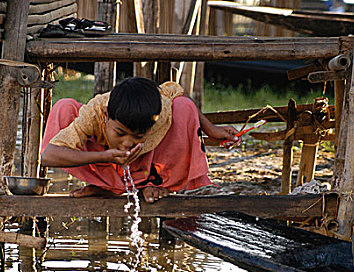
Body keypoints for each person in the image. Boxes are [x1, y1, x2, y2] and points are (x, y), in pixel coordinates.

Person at [40, 77, 239, 203]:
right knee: (64, 107)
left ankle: (156, 184)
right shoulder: (94, 113)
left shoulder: (162, 106)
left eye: (137, 136)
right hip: (103, 160)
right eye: (120, 133)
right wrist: (105, 156)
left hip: (147, 164)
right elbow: (49, 156)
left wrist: (211, 129)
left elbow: (180, 96)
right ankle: (107, 186)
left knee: (184, 107)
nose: (127, 143)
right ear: (107, 116)